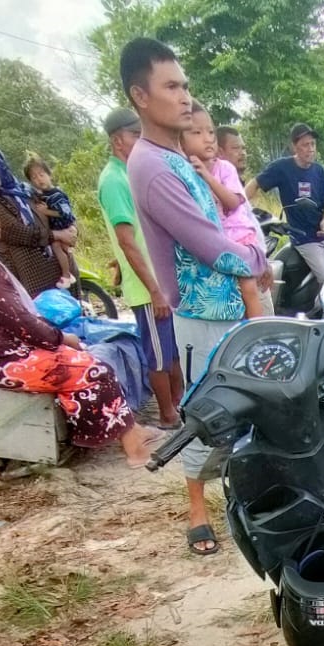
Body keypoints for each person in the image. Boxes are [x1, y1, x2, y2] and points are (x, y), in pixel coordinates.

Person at [121, 36, 262, 556]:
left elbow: (223, 219)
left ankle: (245, 499)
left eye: (186, 86)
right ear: (141, 95)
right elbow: (211, 246)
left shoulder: (175, 156)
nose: (184, 96)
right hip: (203, 314)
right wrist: (255, 266)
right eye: (171, 86)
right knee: (207, 413)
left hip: (225, 309)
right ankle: (197, 511)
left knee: (246, 408)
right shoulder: (152, 166)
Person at [0, 176, 159, 466]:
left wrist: (58, 341)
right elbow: (18, 319)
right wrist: (60, 338)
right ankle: (133, 448)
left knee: (81, 357)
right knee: (93, 369)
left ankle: (131, 432)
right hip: (3, 359)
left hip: (0, 352)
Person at [98, 106, 184, 428]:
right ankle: (166, 414)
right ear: (118, 141)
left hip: (160, 281)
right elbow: (127, 240)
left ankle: (178, 404)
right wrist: (154, 289)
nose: (141, 141)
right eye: (136, 135)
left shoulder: (132, 173)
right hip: (148, 287)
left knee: (173, 350)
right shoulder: (114, 180)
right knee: (158, 355)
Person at [181, 104, 264, 320]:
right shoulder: (182, 171)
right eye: (197, 133)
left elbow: (233, 202)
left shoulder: (224, 169)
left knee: (248, 288)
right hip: (215, 242)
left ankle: (258, 336)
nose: (207, 138)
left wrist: (207, 177)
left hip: (237, 236)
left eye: (210, 132)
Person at [0, 142, 63, 295]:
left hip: (56, 269)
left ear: (0, 164)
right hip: (28, 276)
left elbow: (54, 214)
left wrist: (69, 228)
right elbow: (18, 232)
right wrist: (57, 235)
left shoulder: (26, 190)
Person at [255, 122, 324, 289]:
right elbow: (255, 183)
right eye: (305, 145)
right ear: (294, 147)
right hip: (304, 238)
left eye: (313, 144)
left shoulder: (319, 171)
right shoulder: (282, 168)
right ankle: (321, 314)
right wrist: (237, 206)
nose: (310, 148)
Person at [211, 125, 273, 312]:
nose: (243, 153)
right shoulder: (214, 185)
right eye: (236, 148)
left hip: (254, 260)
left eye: (244, 148)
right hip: (240, 265)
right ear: (219, 151)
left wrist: (263, 260)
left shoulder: (236, 183)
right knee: (262, 329)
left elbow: (248, 225)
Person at [25, 153, 80, 289]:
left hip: (63, 227)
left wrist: (46, 212)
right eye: (34, 177)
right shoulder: (43, 195)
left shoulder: (57, 194)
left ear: (49, 175)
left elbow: (65, 213)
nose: (39, 179)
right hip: (58, 229)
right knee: (61, 250)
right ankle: (68, 274)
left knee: (57, 247)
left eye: (41, 174)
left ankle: (66, 275)